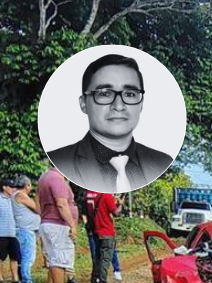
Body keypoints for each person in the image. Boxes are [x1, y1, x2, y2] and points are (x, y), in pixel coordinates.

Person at [46, 54, 172, 193]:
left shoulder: (162, 162)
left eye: (129, 94)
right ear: (83, 104)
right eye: (105, 94)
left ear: (141, 104)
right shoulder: (61, 160)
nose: (118, 106)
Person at [38, 166, 79, 283]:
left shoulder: (45, 177)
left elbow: (39, 202)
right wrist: (72, 224)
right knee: (59, 259)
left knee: (53, 258)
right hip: (57, 224)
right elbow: (61, 204)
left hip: (48, 223)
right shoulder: (57, 179)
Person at [86, 192, 122, 283]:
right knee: (105, 260)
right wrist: (120, 204)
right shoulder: (107, 195)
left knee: (97, 259)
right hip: (106, 232)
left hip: (96, 231)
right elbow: (116, 213)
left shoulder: (93, 195)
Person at [12, 176, 42, 283]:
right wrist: (38, 197)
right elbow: (37, 208)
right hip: (25, 229)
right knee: (28, 256)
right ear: (27, 185)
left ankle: (25, 279)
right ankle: (26, 281)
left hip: (25, 229)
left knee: (26, 255)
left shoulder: (16, 194)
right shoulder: (20, 195)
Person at [0, 179, 20, 283]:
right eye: (11, 187)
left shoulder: (13, 199)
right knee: (0, 256)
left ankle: (15, 278)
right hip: (1, 232)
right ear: (4, 187)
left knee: (14, 256)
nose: (13, 189)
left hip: (13, 232)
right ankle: (0, 278)